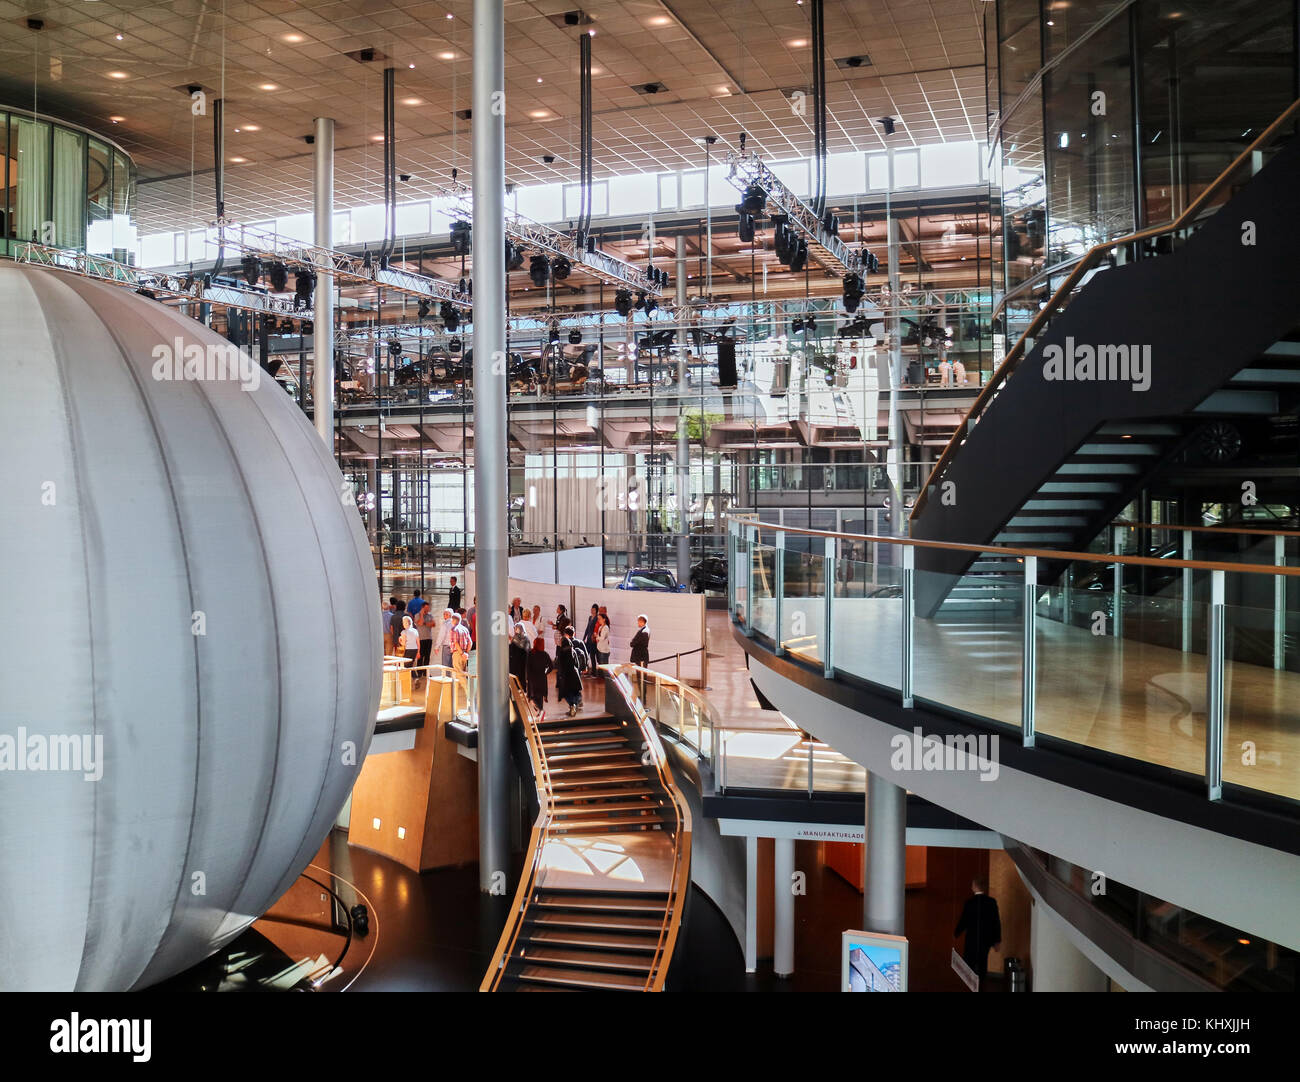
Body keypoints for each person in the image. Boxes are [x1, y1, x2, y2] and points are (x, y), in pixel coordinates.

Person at [954, 876, 1002, 988]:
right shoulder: (991, 902)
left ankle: (971, 985)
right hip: (986, 940)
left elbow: (964, 920)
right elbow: (996, 922)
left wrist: (956, 933)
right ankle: (981, 985)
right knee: (982, 962)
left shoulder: (969, 903)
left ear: (974, 887)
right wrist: (997, 940)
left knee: (969, 962)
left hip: (972, 939)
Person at [555, 627, 584, 718]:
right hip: (574, 674)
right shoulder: (573, 651)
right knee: (574, 691)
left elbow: (559, 665)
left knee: (567, 693)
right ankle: (575, 704)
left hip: (566, 675)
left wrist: (560, 675)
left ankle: (572, 705)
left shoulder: (561, 653)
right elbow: (577, 663)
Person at [525, 636, 553, 714]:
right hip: (542, 678)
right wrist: (545, 672)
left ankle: (540, 711)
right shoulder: (545, 654)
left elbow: (527, 666)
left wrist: (527, 677)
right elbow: (551, 666)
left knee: (532, 697)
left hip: (532, 679)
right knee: (540, 697)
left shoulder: (530, 653)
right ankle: (540, 711)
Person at [399, 615, 421, 689]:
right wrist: (418, 652)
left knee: (406, 666)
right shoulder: (415, 630)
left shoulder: (403, 632)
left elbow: (404, 644)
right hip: (414, 649)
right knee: (410, 665)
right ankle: (415, 678)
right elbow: (418, 642)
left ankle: (407, 682)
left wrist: (400, 640)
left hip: (408, 649)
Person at [417, 598, 435, 671]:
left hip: (429, 638)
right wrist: (421, 614)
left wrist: (425, 623)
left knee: (427, 656)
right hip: (421, 639)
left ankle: (426, 671)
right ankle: (419, 671)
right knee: (421, 656)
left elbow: (433, 624)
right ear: (422, 608)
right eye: (426, 608)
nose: (428, 609)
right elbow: (420, 623)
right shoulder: (417, 615)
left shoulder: (430, 615)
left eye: (428, 608)